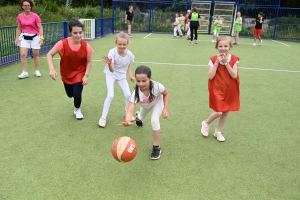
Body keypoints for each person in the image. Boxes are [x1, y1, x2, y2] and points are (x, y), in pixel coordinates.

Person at [47, 19, 94, 120]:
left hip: (79, 73)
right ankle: (74, 99)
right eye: (75, 33)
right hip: (66, 73)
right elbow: (49, 54)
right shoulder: (62, 44)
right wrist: (52, 69)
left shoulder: (86, 46)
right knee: (70, 94)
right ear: (70, 32)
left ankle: (77, 109)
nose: (78, 35)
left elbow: (89, 62)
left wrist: (86, 75)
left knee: (77, 94)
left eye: (80, 32)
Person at [119, 65, 169, 160]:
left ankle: (156, 147)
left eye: (144, 81)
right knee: (140, 117)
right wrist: (127, 120)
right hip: (145, 106)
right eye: (138, 81)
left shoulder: (157, 86)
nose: (141, 84)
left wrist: (165, 109)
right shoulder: (135, 93)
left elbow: (166, 94)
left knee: (154, 120)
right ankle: (138, 117)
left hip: (157, 103)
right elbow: (130, 109)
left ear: (150, 78)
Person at [201, 36, 240, 142]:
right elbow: (210, 76)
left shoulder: (234, 59)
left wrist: (226, 62)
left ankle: (218, 131)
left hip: (230, 89)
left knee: (226, 112)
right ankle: (206, 123)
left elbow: (234, 75)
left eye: (226, 46)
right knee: (219, 111)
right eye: (220, 46)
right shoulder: (213, 59)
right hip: (217, 88)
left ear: (230, 47)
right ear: (217, 47)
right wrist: (217, 63)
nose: (223, 48)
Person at [99, 31, 135, 128]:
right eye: (120, 44)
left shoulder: (129, 54)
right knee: (110, 95)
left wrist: (131, 76)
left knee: (128, 94)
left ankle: (128, 113)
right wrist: (109, 63)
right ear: (116, 43)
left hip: (122, 76)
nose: (122, 46)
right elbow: (112, 70)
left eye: (124, 44)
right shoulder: (112, 52)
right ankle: (103, 118)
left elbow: (128, 65)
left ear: (127, 44)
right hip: (111, 74)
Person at [15, 0, 44, 79]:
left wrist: (41, 38)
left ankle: (37, 71)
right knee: (23, 55)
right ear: (22, 6)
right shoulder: (20, 16)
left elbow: (40, 27)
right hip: (24, 37)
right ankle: (25, 72)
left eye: (28, 5)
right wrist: (16, 38)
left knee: (35, 55)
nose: (27, 7)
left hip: (35, 37)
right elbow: (19, 28)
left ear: (31, 6)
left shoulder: (35, 16)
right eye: (25, 5)